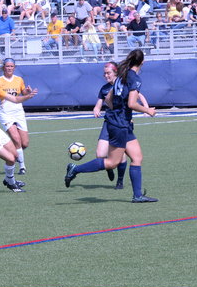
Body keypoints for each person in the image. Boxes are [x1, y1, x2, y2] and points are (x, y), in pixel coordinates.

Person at [65, 49, 158, 203]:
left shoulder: (122, 75)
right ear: (142, 62)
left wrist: (116, 111)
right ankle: (75, 169)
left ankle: (137, 195)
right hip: (120, 124)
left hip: (122, 122)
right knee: (112, 162)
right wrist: (148, 110)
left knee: (137, 157)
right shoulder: (134, 78)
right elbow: (132, 103)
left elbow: (108, 98)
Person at [92, 61, 150, 189]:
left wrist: (146, 108)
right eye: (104, 74)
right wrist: (96, 109)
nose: (106, 76)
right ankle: (108, 167)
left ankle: (120, 181)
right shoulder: (104, 88)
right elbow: (99, 103)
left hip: (122, 123)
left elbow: (139, 95)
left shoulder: (124, 84)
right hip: (109, 123)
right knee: (100, 154)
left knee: (121, 155)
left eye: (108, 73)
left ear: (116, 72)